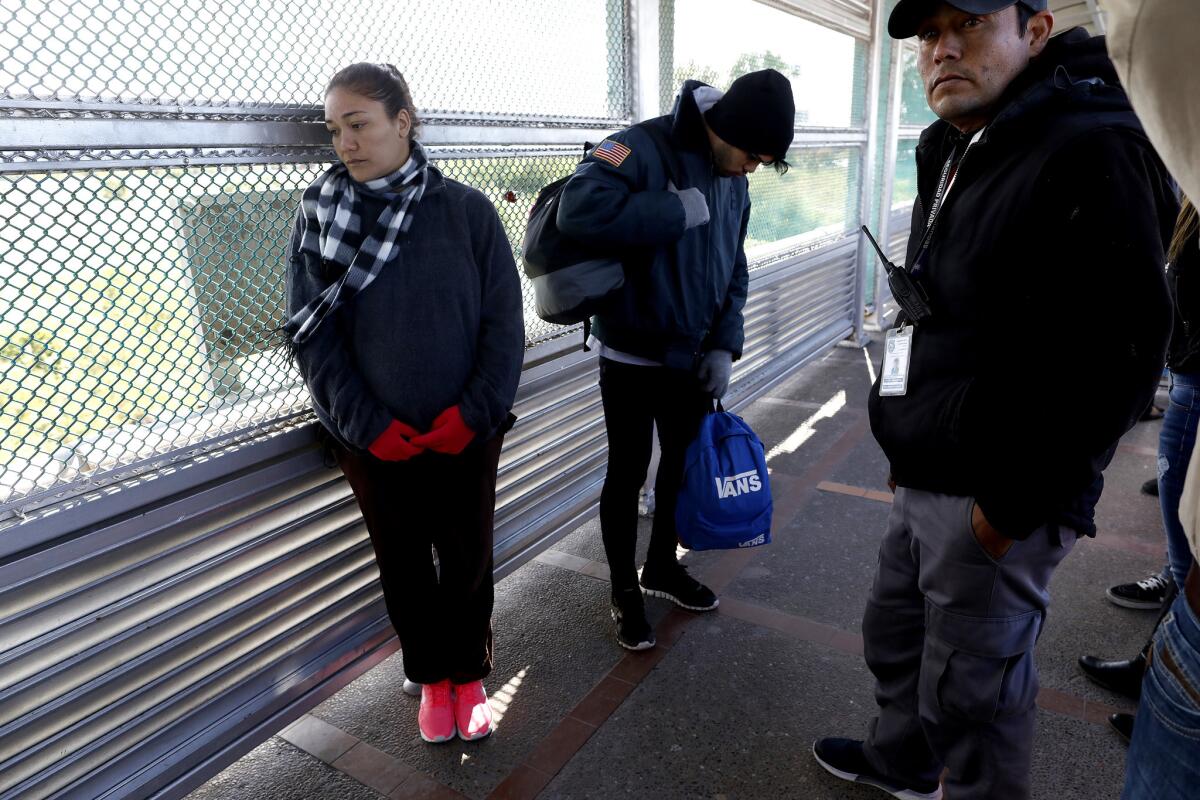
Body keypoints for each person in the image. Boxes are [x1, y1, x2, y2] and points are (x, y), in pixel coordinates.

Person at [811, 3, 1176, 798]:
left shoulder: (1091, 147)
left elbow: (1122, 360)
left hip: (1001, 486)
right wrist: (906, 443)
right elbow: (936, 312)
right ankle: (903, 764)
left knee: (975, 691)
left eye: (969, 23)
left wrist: (1009, 508)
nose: (942, 48)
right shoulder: (954, 141)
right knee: (897, 633)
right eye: (927, 34)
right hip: (929, 460)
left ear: (1036, 31)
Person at [284, 63, 524, 745]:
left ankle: (469, 675)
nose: (345, 142)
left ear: (403, 122)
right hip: (373, 439)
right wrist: (368, 426)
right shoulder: (319, 216)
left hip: (466, 431)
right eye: (334, 129)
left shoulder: (467, 212)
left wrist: (473, 414)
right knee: (404, 564)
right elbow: (311, 333)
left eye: (358, 123)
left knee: (468, 556)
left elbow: (503, 324)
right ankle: (431, 678)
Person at [554, 70, 795, 651]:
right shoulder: (638, 146)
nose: (751, 169)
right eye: (751, 155)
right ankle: (622, 590)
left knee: (682, 465)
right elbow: (576, 212)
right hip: (632, 352)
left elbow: (734, 264)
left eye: (764, 161)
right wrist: (671, 211)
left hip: (693, 355)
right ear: (726, 129)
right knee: (628, 469)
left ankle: (660, 568)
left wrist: (725, 343)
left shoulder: (732, 175)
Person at [1080, 198, 1200, 723]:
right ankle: (1155, 672)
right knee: (1188, 548)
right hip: (1189, 381)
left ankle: (1167, 703)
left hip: (1195, 388)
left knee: (1189, 549)